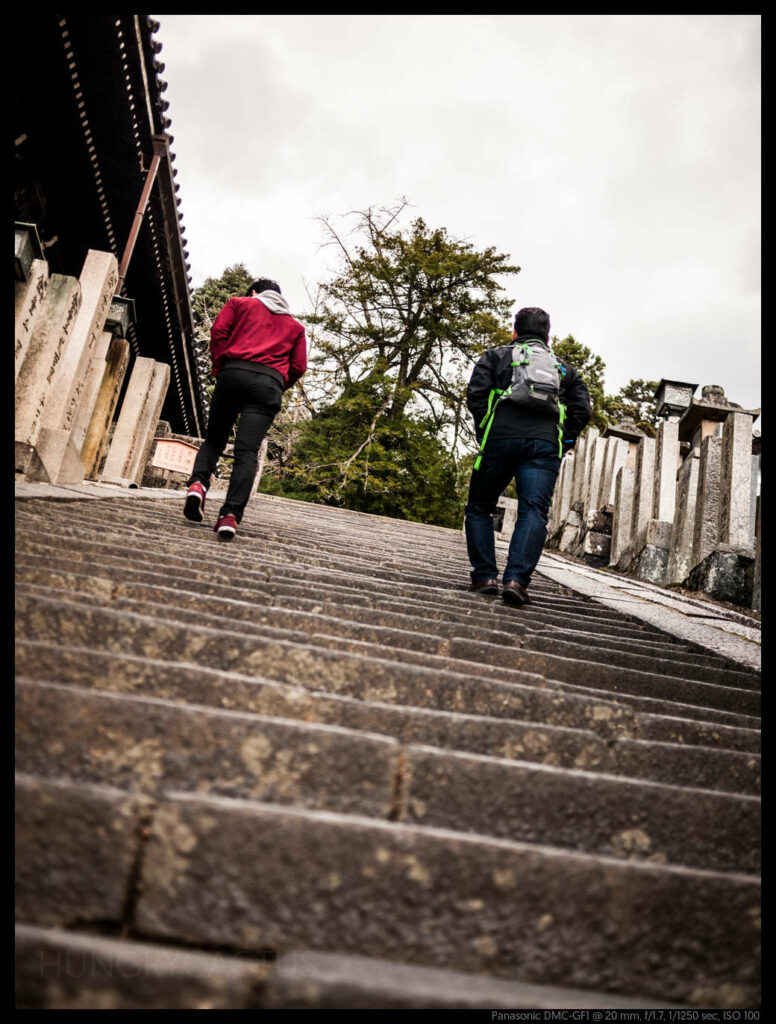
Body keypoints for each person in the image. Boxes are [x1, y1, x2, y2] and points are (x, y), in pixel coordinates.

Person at [464, 306, 591, 605]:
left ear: (514, 331)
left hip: (499, 439)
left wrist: (486, 431)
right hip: (544, 445)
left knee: (480, 507)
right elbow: (582, 410)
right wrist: (564, 441)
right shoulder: (562, 369)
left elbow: (476, 395)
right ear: (548, 337)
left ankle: (484, 577)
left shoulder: (495, 356)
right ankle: (516, 581)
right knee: (534, 511)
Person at [183, 277, 307, 541]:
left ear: (253, 292)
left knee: (215, 439)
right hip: (269, 384)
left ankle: (198, 483)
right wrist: (277, 384)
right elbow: (298, 367)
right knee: (247, 451)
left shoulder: (240, 304)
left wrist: (220, 366)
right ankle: (230, 516)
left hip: (234, 373)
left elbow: (218, 332)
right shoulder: (295, 327)